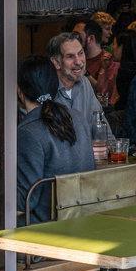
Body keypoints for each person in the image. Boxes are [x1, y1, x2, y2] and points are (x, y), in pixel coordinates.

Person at [16, 55, 95, 224]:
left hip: (43, 230)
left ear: (19, 91)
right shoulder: (78, 118)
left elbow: (24, 201)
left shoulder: (28, 132)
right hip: (81, 221)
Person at [47, 32, 113, 144]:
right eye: (70, 56)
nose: (78, 62)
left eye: (81, 53)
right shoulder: (46, 89)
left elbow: (100, 125)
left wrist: (112, 151)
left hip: (88, 159)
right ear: (56, 62)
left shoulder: (84, 83)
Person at [81, 20, 117, 104]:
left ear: (91, 38)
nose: (73, 40)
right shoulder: (75, 60)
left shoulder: (109, 61)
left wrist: (85, 73)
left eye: (78, 36)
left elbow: (106, 95)